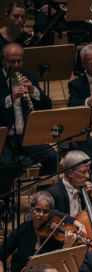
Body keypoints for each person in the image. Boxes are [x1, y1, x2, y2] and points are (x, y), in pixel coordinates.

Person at [0, 43, 56, 199]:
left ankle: (43, 199)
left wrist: (32, 90)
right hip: (4, 137)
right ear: (3, 61)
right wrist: (11, 98)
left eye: (19, 61)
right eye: (12, 62)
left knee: (51, 156)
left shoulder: (28, 76)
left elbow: (47, 105)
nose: (16, 65)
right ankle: (4, 203)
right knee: (6, 166)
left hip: (25, 136)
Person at [46, 151, 92, 220]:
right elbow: (50, 213)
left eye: (89, 171)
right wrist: (72, 221)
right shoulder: (54, 192)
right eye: (83, 172)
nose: (88, 176)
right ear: (69, 173)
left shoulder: (86, 188)